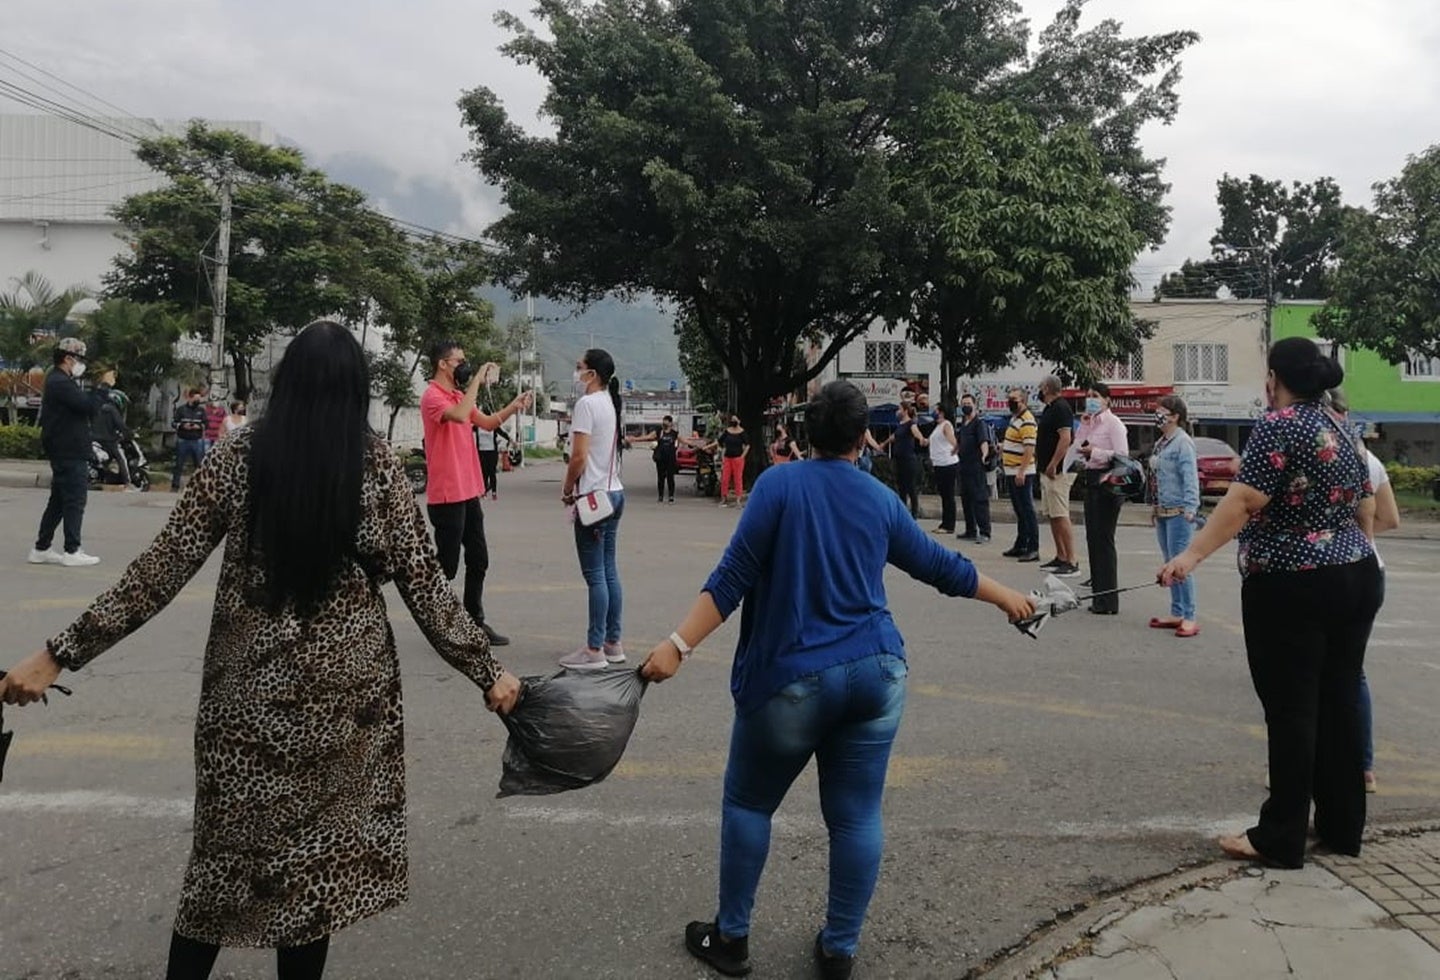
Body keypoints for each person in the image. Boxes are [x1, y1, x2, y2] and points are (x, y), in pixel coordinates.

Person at [0, 320, 521, 980]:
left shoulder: (240, 455)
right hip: (343, 709)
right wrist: (487, 671)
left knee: (218, 873)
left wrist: (58, 654)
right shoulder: (376, 465)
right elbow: (426, 586)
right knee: (314, 878)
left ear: (287, 382)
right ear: (355, 390)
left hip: (243, 707)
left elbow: (159, 570)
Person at [637, 380, 1035, 980]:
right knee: (856, 817)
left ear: (807, 433)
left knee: (748, 803)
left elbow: (731, 579)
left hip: (791, 682)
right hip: (877, 673)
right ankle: (839, 949)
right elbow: (940, 567)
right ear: (862, 437)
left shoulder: (778, 486)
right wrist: (1008, 598)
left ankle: (733, 939)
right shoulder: (879, 498)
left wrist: (677, 646)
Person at [1159, 337, 1381, 869]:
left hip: (1292, 582)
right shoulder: (1341, 425)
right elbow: (1366, 502)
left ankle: (1280, 836)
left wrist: (1190, 556)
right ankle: (1342, 826)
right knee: (1339, 701)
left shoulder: (1279, 424)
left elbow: (1243, 500)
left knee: (1292, 709)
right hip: (1356, 573)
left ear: (1275, 378)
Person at [421, 341, 531, 647]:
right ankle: (438, 623)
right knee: (447, 565)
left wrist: (513, 405)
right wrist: (477, 381)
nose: (464, 366)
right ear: (443, 364)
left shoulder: (458, 395)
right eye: (459, 361)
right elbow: (458, 416)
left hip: (468, 491)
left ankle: (474, 622)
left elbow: (487, 422)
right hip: (446, 495)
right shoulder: (433, 397)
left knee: (479, 558)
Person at [1325, 387, 1398, 794]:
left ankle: (1307, 765)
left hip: (1327, 573)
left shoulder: (1320, 453)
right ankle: (1363, 766)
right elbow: (1390, 518)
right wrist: (1358, 537)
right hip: (1370, 570)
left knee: (1310, 674)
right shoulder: (1368, 458)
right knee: (1352, 672)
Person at [560, 348, 628, 669]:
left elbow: (578, 457)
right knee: (609, 570)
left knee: (595, 575)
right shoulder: (610, 402)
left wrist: (567, 488)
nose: (577, 372)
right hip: (615, 493)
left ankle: (594, 649)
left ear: (593, 374)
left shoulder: (587, 405)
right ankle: (613, 642)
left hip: (594, 499)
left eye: (580, 367)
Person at [28, 337, 101, 567]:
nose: (81, 364)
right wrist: (104, 388)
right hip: (69, 451)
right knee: (75, 501)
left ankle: (41, 548)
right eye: (79, 359)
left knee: (58, 502)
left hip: (64, 449)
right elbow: (89, 407)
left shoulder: (59, 380)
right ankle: (72, 550)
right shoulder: (60, 382)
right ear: (68, 359)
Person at [1147, 395, 1200, 637]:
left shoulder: (1183, 443)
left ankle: (1189, 616)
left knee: (1181, 566)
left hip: (1179, 511)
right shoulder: (1161, 443)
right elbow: (1156, 479)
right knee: (1169, 563)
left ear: (1175, 416)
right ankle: (1177, 612)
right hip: (1162, 510)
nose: (1157, 415)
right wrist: (1154, 507)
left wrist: (1191, 508)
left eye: (1162, 411)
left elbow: (1190, 478)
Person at [1076, 384, 1129, 612]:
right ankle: (1098, 596)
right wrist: (1084, 425)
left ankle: (1108, 600)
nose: (1090, 399)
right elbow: (1078, 446)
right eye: (1088, 396)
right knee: (1093, 539)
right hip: (1091, 479)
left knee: (1104, 539)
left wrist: (1096, 452)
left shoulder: (1114, 424)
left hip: (1108, 481)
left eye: (1095, 396)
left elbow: (1122, 455)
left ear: (1107, 400)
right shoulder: (1091, 423)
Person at [1035, 376, 1079, 576]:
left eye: (1041, 387)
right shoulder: (1049, 408)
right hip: (1047, 470)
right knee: (1052, 514)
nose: (1039, 390)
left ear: (1046, 388)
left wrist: (1054, 463)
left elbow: (1065, 439)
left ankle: (1071, 560)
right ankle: (1060, 556)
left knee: (1061, 514)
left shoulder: (1061, 408)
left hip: (1059, 471)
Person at [1000, 389, 1039, 562]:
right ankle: (1021, 543)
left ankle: (1033, 547)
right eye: (1009, 398)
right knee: (1020, 510)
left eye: (1013, 399)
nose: (1010, 401)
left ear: (1023, 400)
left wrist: (1022, 471)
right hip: (1011, 470)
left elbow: (1029, 448)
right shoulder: (1015, 418)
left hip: (1021, 471)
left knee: (1027, 510)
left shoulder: (1027, 420)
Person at [955, 393, 992, 544]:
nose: (966, 407)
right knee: (966, 499)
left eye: (968, 404)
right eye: (963, 404)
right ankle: (970, 530)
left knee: (979, 499)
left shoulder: (979, 424)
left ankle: (985, 532)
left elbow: (983, 441)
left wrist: (984, 455)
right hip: (964, 466)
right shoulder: (964, 424)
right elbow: (959, 442)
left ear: (975, 405)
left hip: (976, 466)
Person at [629, 414, 690, 502]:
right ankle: (660, 496)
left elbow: (685, 441)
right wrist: (634, 439)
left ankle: (671, 496)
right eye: (663, 421)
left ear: (670, 423)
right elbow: (647, 437)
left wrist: (698, 445)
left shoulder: (674, 433)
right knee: (661, 478)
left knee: (670, 477)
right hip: (660, 459)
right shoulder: (658, 432)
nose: (664, 423)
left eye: (666, 422)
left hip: (671, 459)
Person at [93, 369, 135, 490]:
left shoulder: (97, 407)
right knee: (121, 458)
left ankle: (104, 476)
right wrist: (129, 433)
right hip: (109, 440)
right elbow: (120, 424)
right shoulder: (111, 410)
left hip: (94, 437)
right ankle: (127, 482)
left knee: (106, 460)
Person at [925, 402, 959, 535]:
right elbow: (931, 441)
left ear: (941, 412)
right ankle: (944, 522)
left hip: (947, 464)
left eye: (936, 410)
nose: (934, 412)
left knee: (948, 495)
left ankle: (949, 525)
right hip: (938, 464)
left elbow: (954, 441)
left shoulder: (946, 425)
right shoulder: (937, 426)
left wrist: (954, 451)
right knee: (944, 495)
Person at [884, 404, 922, 518]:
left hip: (908, 460)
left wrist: (921, 438)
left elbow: (915, 431)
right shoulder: (900, 425)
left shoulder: (910, 423)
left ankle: (914, 512)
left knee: (910, 486)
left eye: (899, 409)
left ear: (905, 411)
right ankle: (903, 512)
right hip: (899, 460)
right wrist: (883, 444)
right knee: (901, 487)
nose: (898, 411)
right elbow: (894, 437)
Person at [171, 388, 208, 492]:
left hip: (197, 440)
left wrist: (198, 426)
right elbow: (173, 423)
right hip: (183, 440)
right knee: (179, 464)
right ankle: (175, 486)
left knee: (199, 464)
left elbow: (206, 424)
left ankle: (199, 486)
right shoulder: (181, 410)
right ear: (190, 398)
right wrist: (182, 426)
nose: (198, 401)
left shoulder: (201, 411)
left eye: (199, 399)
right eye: (196, 399)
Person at [714, 415, 749, 507]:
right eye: (732, 419)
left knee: (738, 479)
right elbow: (720, 442)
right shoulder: (727, 431)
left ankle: (738, 499)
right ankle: (724, 498)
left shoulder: (742, 432)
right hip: (727, 458)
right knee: (725, 479)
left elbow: (747, 445)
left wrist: (742, 456)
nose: (733, 421)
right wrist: (722, 452)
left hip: (737, 458)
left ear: (739, 421)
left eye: (735, 419)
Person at [475, 417, 513, 500]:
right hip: (481, 452)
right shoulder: (477, 426)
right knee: (484, 472)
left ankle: (494, 492)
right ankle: (484, 492)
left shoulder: (493, 426)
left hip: (492, 452)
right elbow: (468, 430)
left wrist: (510, 439)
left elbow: (502, 433)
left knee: (492, 472)